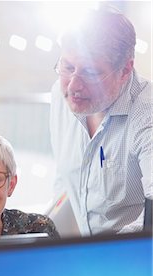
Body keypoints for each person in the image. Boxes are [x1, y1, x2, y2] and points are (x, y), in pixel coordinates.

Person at [50, 5, 152, 235]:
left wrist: (108, 253)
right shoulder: (60, 94)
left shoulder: (147, 114)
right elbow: (64, 181)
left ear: (125, 69)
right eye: (68, 67)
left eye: (90, 73)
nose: (74, 86)